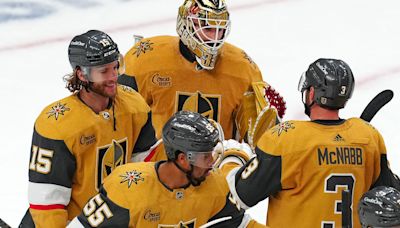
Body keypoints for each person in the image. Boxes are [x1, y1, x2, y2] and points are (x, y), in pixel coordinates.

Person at [226, 58, 400, 227]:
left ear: (311, 93)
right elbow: (391, 196)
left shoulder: (285, 140)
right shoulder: (368, 138)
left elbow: (238, 196)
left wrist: (233, 157)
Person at [19, 30, 159, 227]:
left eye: (115, 67)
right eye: (104, 71)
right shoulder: (57, 125)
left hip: (112, 220)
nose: (114, 77)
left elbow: (145, 173)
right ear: (81, 74)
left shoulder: (135, 106)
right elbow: (47, 202)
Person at [118, 0, 285, 161]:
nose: (214, 38)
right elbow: (120, 118)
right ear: (186, 25)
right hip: (162, 168)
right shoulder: (145, 58)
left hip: (215, 168)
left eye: (219, 29)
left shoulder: (244, 69)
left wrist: (263, 131)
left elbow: (256, 138)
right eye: (208, 28)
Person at [67, 111, 266, 228]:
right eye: (205, 156)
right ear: (182, 158)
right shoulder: (128, 187)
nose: (212, 163)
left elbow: (242, 225)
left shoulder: (215, 186)